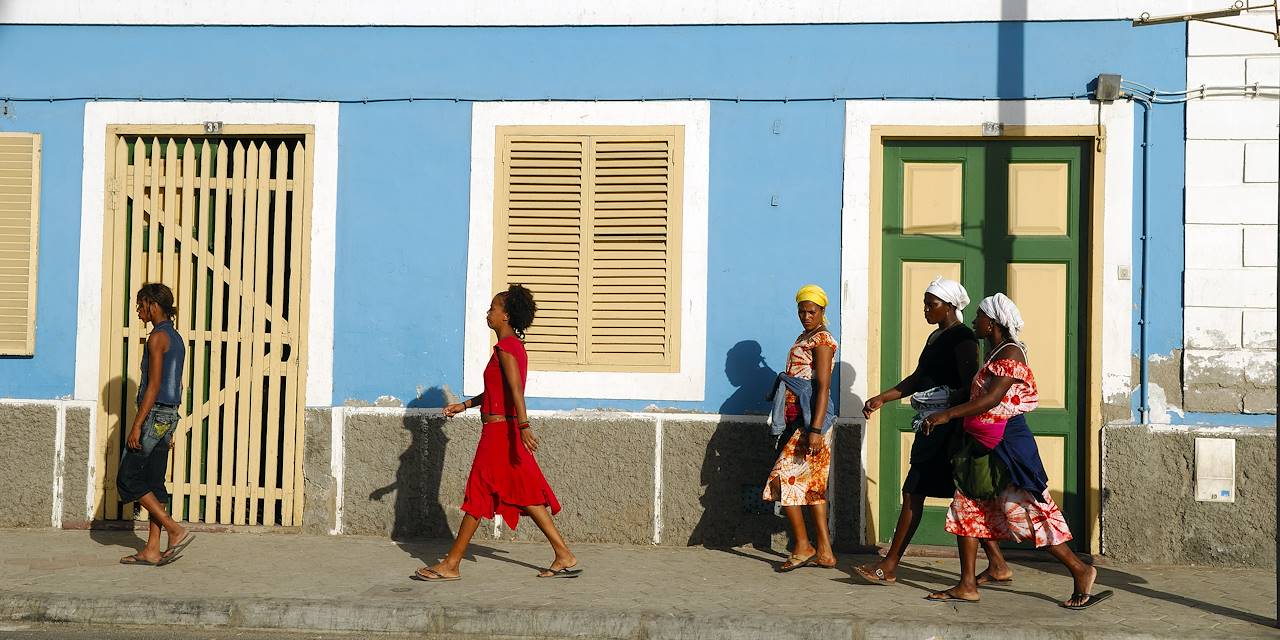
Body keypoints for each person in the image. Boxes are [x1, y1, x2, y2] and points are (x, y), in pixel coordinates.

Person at [919, 294, 1112, 610]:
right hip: (985, 445)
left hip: (1009, 449)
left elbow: (992, 398)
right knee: (967, 508)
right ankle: (968, 584)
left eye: (978, 316)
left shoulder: (1011, 353)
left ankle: (1080, 569)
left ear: (992, 322)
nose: (973, 321)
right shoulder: (995, 351)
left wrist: (946, 415)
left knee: (1033, 512)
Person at [413, 284, 580, 581]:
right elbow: (497, 390)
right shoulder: (512, 347)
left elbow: (516, 389)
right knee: (525, 492)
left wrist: (524, 425)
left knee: (479, 491)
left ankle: (451, 564)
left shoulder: (506, 349)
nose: (488, 313)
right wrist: (464, 405)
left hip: (500, 434)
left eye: (493, 308)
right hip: (504, 430)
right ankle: (563, 553)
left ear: (506, 315)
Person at [856, 277, 989, 585]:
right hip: (932, 427)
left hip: (947, 430)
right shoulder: (935, 338)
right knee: (958, 497)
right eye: (925, 304)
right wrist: (882, 398)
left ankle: (889, 565)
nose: (926, 309)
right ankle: (996, 563)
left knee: (917, 492)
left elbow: (971, 387)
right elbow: (918, 378)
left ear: (949, 306)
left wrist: (944, 405)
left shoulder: (963, 339)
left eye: (932, 304)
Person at [117, 283, 195, 566]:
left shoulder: (157, 338)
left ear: (153, 304)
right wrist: (168, 424)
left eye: (140, 305)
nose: (138, 311)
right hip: (168, 415)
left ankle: (174, 529)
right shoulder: (176, 337)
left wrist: (138, 425)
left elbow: (153, 386)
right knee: (153, 482)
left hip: (154, 416)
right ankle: (152, 549)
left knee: (127, 478)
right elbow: (178, 383)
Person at [763, 284, 838, 572]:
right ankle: (825, 552)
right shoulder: (803, 336)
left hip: (811, 424)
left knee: (782, 480)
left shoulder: (822, 340)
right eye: (802, 311)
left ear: (822, 312)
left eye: (812, 311)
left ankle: (804, 545)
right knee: (813, 487)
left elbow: (822, 387)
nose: (806, 316)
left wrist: (816, 429)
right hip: (799, 420)